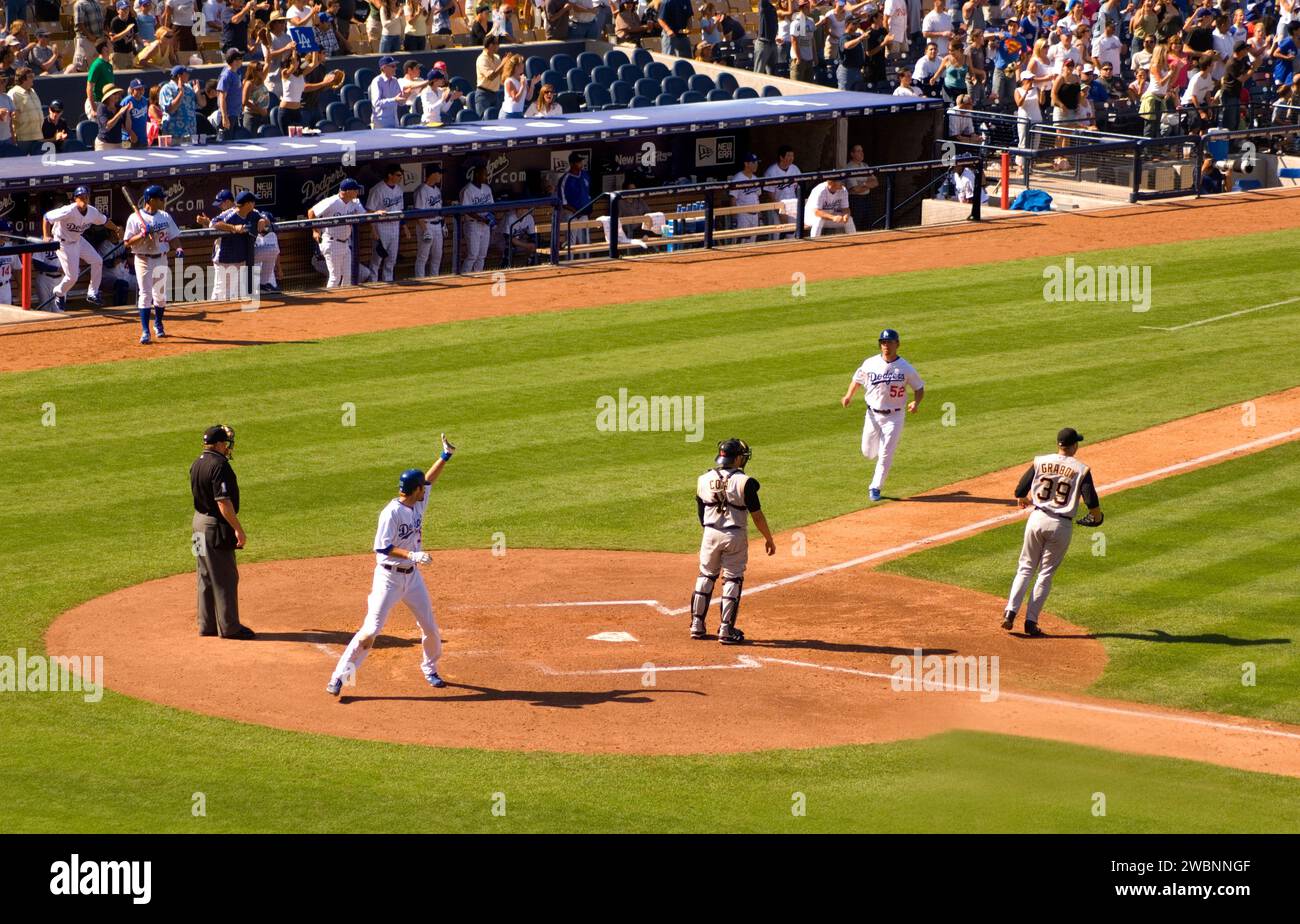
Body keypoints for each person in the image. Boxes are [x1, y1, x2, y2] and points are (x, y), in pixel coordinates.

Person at [325, 435, 457, 696]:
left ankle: (429, 668)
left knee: (430, 628)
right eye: (422, 487)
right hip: (388, 579)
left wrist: (445, 456)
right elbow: (382, 547)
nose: (426, 490)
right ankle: (339, 677)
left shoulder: (418, 500)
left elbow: (429, 478)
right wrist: (413, 555)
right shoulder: (391, 513)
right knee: (370, 631)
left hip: (413, 579)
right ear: (415, 489)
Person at [1001, 427, 1103, 637]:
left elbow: (1020, 490)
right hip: (1060, 525)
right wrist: (1097, 516)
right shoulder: (1081, 469)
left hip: (1036, 519)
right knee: (1045, 574)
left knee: (1025, 568)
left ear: (1059, 445)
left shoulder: (1041, 461)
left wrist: (1024, 499)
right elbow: (1091, 500)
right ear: (1074, 446)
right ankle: (1031, 622)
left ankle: (1010, 613)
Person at [688, 438, 775, 645]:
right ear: (736, 458)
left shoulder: (703, 479)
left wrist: (712, 530)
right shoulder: (746, 482)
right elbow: (757, 516)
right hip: (734, 535)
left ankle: (696, 626)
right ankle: (726, 630)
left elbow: (701, 515)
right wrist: (768, 538)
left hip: (709, 534)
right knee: (733, 579)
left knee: (706, 575)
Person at [840, 328, 925, 502]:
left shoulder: (905, 368)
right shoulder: (870, 363)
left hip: (895, 417)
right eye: (883, 342)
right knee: (867, 452)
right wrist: (848, 395)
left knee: (886, 453)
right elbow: (857, 380)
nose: (886, 345)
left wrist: (916, 403)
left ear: (897, 344)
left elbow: (919, 388)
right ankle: (880, 454)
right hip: (872, 415)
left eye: (890, 342)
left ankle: (875, 487)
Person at [190, 424, 256, 640]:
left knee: (204, 574)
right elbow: (223, 503)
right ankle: (229, 628)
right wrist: (238, 529)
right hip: (214, 527)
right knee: (225, 576)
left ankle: (206, 624)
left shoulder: (197, 463)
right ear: (218, 444)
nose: (228, 448)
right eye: (225, 444)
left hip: (198, 524)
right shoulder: (219, 466)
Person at [44, 186, 121, 311]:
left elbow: (105, 221)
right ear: (75, 199)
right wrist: (47, 236)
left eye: (86, 197)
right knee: (72, 277)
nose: (84, 199)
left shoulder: (92, 211)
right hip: (63, 243)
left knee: (97, 261)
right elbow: (47, 217)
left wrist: (116, 229)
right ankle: (59, 292)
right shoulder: (68, 210)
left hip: (78, 240)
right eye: (81, 197)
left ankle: (92, 293)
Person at [123, 185, 181, 344]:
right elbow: (127, 242)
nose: (164, 200)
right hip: (143, 259)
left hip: (161, 257)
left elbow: (174, 236)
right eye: (161, 198)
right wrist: (142, 234)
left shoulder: (165, 216)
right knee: (145, 295)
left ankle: (158, 323)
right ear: (151, 200)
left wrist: (179, 247)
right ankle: (145, 331)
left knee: (160, 297)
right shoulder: (134, 218)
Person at [209, 191, 269, 300]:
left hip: (240, 260)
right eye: (252, 202)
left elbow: (266, 219)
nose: (254, 204)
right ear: (248, 204)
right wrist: (233, 227)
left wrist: (262, 220)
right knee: (220, 294)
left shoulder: (253, 213)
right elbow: (213, 223)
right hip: (224, 261)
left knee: (235, 295)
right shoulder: (230, 214)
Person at [308, 177, 367, 286]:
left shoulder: (354, 202)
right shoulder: (332, 201)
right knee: (335, 276)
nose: (357, 192)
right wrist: (315, 231)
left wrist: (377, 212)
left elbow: (366, 214)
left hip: (345, 243)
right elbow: (311, 212)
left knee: (348, 275)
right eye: (355, 189)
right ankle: (330, 301)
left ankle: (344, 298)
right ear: (348, 191)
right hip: (331, 241)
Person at [366, 164, 406, 282]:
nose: (400, 177)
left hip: (395, 227)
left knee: (391, 258)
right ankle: (373, 283)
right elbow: (369, 210)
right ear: (390, 175)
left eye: (401, 175)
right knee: (377, 258)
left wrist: (404, 227)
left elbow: (401, 210)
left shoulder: (399, 190)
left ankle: (388, 282)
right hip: (381, 227)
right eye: (398, 175)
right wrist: (373, 230)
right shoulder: (377, 189)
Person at [459, 163, 495, 273]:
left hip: (485, 225)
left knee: (482, 255)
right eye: (484, 174)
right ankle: (464, 277)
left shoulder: (487, 188)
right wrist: (482, 218)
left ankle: (477, 277)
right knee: (473, 255)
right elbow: (466, 210)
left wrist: (490, 217)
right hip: (472, 224)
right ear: (477, 174)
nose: (486, 176)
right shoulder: (468, 190)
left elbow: (492, 206)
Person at [413, 164, 445, 276]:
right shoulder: (421, 190)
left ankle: (434, 278)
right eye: (439, 173)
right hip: (426, 225)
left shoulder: (437, 190)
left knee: (437, 255)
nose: (441, 175)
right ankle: (420, 280)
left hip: (437, 225)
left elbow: (440, 210)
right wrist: (425, 230)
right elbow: (418, 213)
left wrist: (443, 224)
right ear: (433, 174)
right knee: (423, 256)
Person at [762, 145, 800, 235]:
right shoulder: (771, 171)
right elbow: (769, 194)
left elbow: (798, 188)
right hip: (777, 206)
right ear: (781, 157)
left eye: (792, 156)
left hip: (792, 206)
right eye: (788, 156)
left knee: (792, 233)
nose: (791, 158)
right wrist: (779, 210)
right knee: (776, 234)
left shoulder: (795, 169)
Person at [558, 150, 591, 250]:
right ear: (572, 164)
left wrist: (588, 210)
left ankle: (586, 261)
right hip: (571, 213)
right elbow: (563, 203)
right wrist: (576, 212)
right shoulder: (565, 179)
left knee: (585, 241)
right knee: (571, 241)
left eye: (581, 161)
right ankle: (570, 261)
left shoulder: (585, 175)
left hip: (584, 212)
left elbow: (588, 194)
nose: (581, 164)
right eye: (578, 162)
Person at [370, 54, 414, 127]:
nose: (395, 68)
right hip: (381, 123)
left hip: (394, 121)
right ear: (384, 68)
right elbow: (376, 103)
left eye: (395, 66)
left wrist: (405, 96)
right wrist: (394, 100)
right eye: (392, 66)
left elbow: (400, 103)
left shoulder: (395, 80)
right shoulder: (377, 81)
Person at [729, 152, 763, 244]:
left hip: (754, 215)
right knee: (740, 242)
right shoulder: (738, 178)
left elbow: (757, 197)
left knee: (752, 242)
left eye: (756, 162)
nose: (756, 165)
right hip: (743, 215)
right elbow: (733, 199)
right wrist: (734, 217)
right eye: (753, 162)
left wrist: (759, 214)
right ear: (746, 164)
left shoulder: (755, 178)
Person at [160, 64, 198, 143]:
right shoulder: (167, 88)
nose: (188, 75)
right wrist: (180, 93)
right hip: (174, 134)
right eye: (186, 73)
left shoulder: (189, 88)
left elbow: (201, 104)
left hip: (190, 132)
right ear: (179, 76)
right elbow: (170, 109)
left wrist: (197, 93)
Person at [10, 68, 43, 154]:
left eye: (33, 76)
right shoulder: (14, 93)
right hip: (23, 138)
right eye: (30, 76)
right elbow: (11, 116)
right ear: (22, 79)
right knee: (22, 165)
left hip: (38, 135)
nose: (33, 78)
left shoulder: (33, 91)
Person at [473, 34, 506, 116]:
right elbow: (491, 77)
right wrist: (503, 64)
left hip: (495, 94)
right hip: (483, 95)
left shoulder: (497, 57)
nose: (498, 46)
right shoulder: (481, 59)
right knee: (483, 121)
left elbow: (501, 74)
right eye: (497, 43)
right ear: (491, 45)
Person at [500, 52, 540, 118]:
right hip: (507, 115)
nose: (523, 65)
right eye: (521, 63)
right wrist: (522, 86)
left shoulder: (523, 79)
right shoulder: (509, 81)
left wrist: (532, 84)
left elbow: (528, 97)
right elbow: (516, 99)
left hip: (519, 114)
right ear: (516, 67)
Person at [753, 0, 778, 74]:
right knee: (758, 73)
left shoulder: (772, 7)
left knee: (772, 75)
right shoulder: (763, 4)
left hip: (772, 43)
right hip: (763, 43)